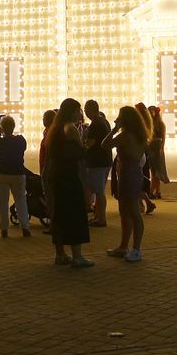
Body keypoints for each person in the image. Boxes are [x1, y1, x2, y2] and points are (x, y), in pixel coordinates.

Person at [46, 98, 93, 268]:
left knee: (59, 214)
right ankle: (77, 256)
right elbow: (80, 151)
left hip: (56, 175)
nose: (80, 114)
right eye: (78, 110)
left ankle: (60, 254)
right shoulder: (70, 128)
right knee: (75, 214)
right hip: (69, 175)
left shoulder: (54, 128)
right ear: (72, 111)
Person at [103, 104, 151, 262]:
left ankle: (135, 248)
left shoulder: (125, 136)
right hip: (132, 174)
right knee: (125, 211)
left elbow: (105, 144)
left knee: (132, 212)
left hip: (127, 175)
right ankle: (124, 246)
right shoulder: (141, 135)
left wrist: (115, 128)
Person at [0, 115, 32, 238]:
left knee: (2, 202)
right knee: (21, 200)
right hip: (17, 173)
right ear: (14, 127)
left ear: (2, 128)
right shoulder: (20, 140)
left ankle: (4, 229)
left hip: (1, 173)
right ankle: (25, 227)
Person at [82, 99, 112, 228]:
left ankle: (101, 219)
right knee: (99, 190)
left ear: (90, 110)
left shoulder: (95, 124)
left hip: (97, 161)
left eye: (85, 110)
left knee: (99, 191)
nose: (85, 113)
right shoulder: (104, 121)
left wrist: (80, 146)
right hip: (105, 159)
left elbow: (90, 143)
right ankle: (98, 216)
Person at [146, 105, 169, 203]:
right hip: (150, 147)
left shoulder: (160, 124)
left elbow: (163, 138)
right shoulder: (148, 124)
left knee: (156, 171)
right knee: (153, 170)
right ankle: (158, 191)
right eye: (149, 111)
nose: (151, 113)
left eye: (152, 111)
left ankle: (151, 191)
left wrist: (161, 148)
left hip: (157, 147)